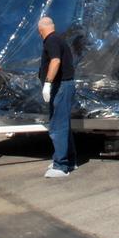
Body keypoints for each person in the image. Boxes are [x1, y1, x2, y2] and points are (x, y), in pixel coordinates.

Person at [38, 16, 77, 179]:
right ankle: (69, 160)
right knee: (63, 124)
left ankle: (61, 165)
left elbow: (55, 61)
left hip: (60, 86)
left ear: (40, 30)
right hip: (65, 85)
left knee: (57, 126)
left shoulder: (51, 41)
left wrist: (47, 83)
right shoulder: (58, 39)